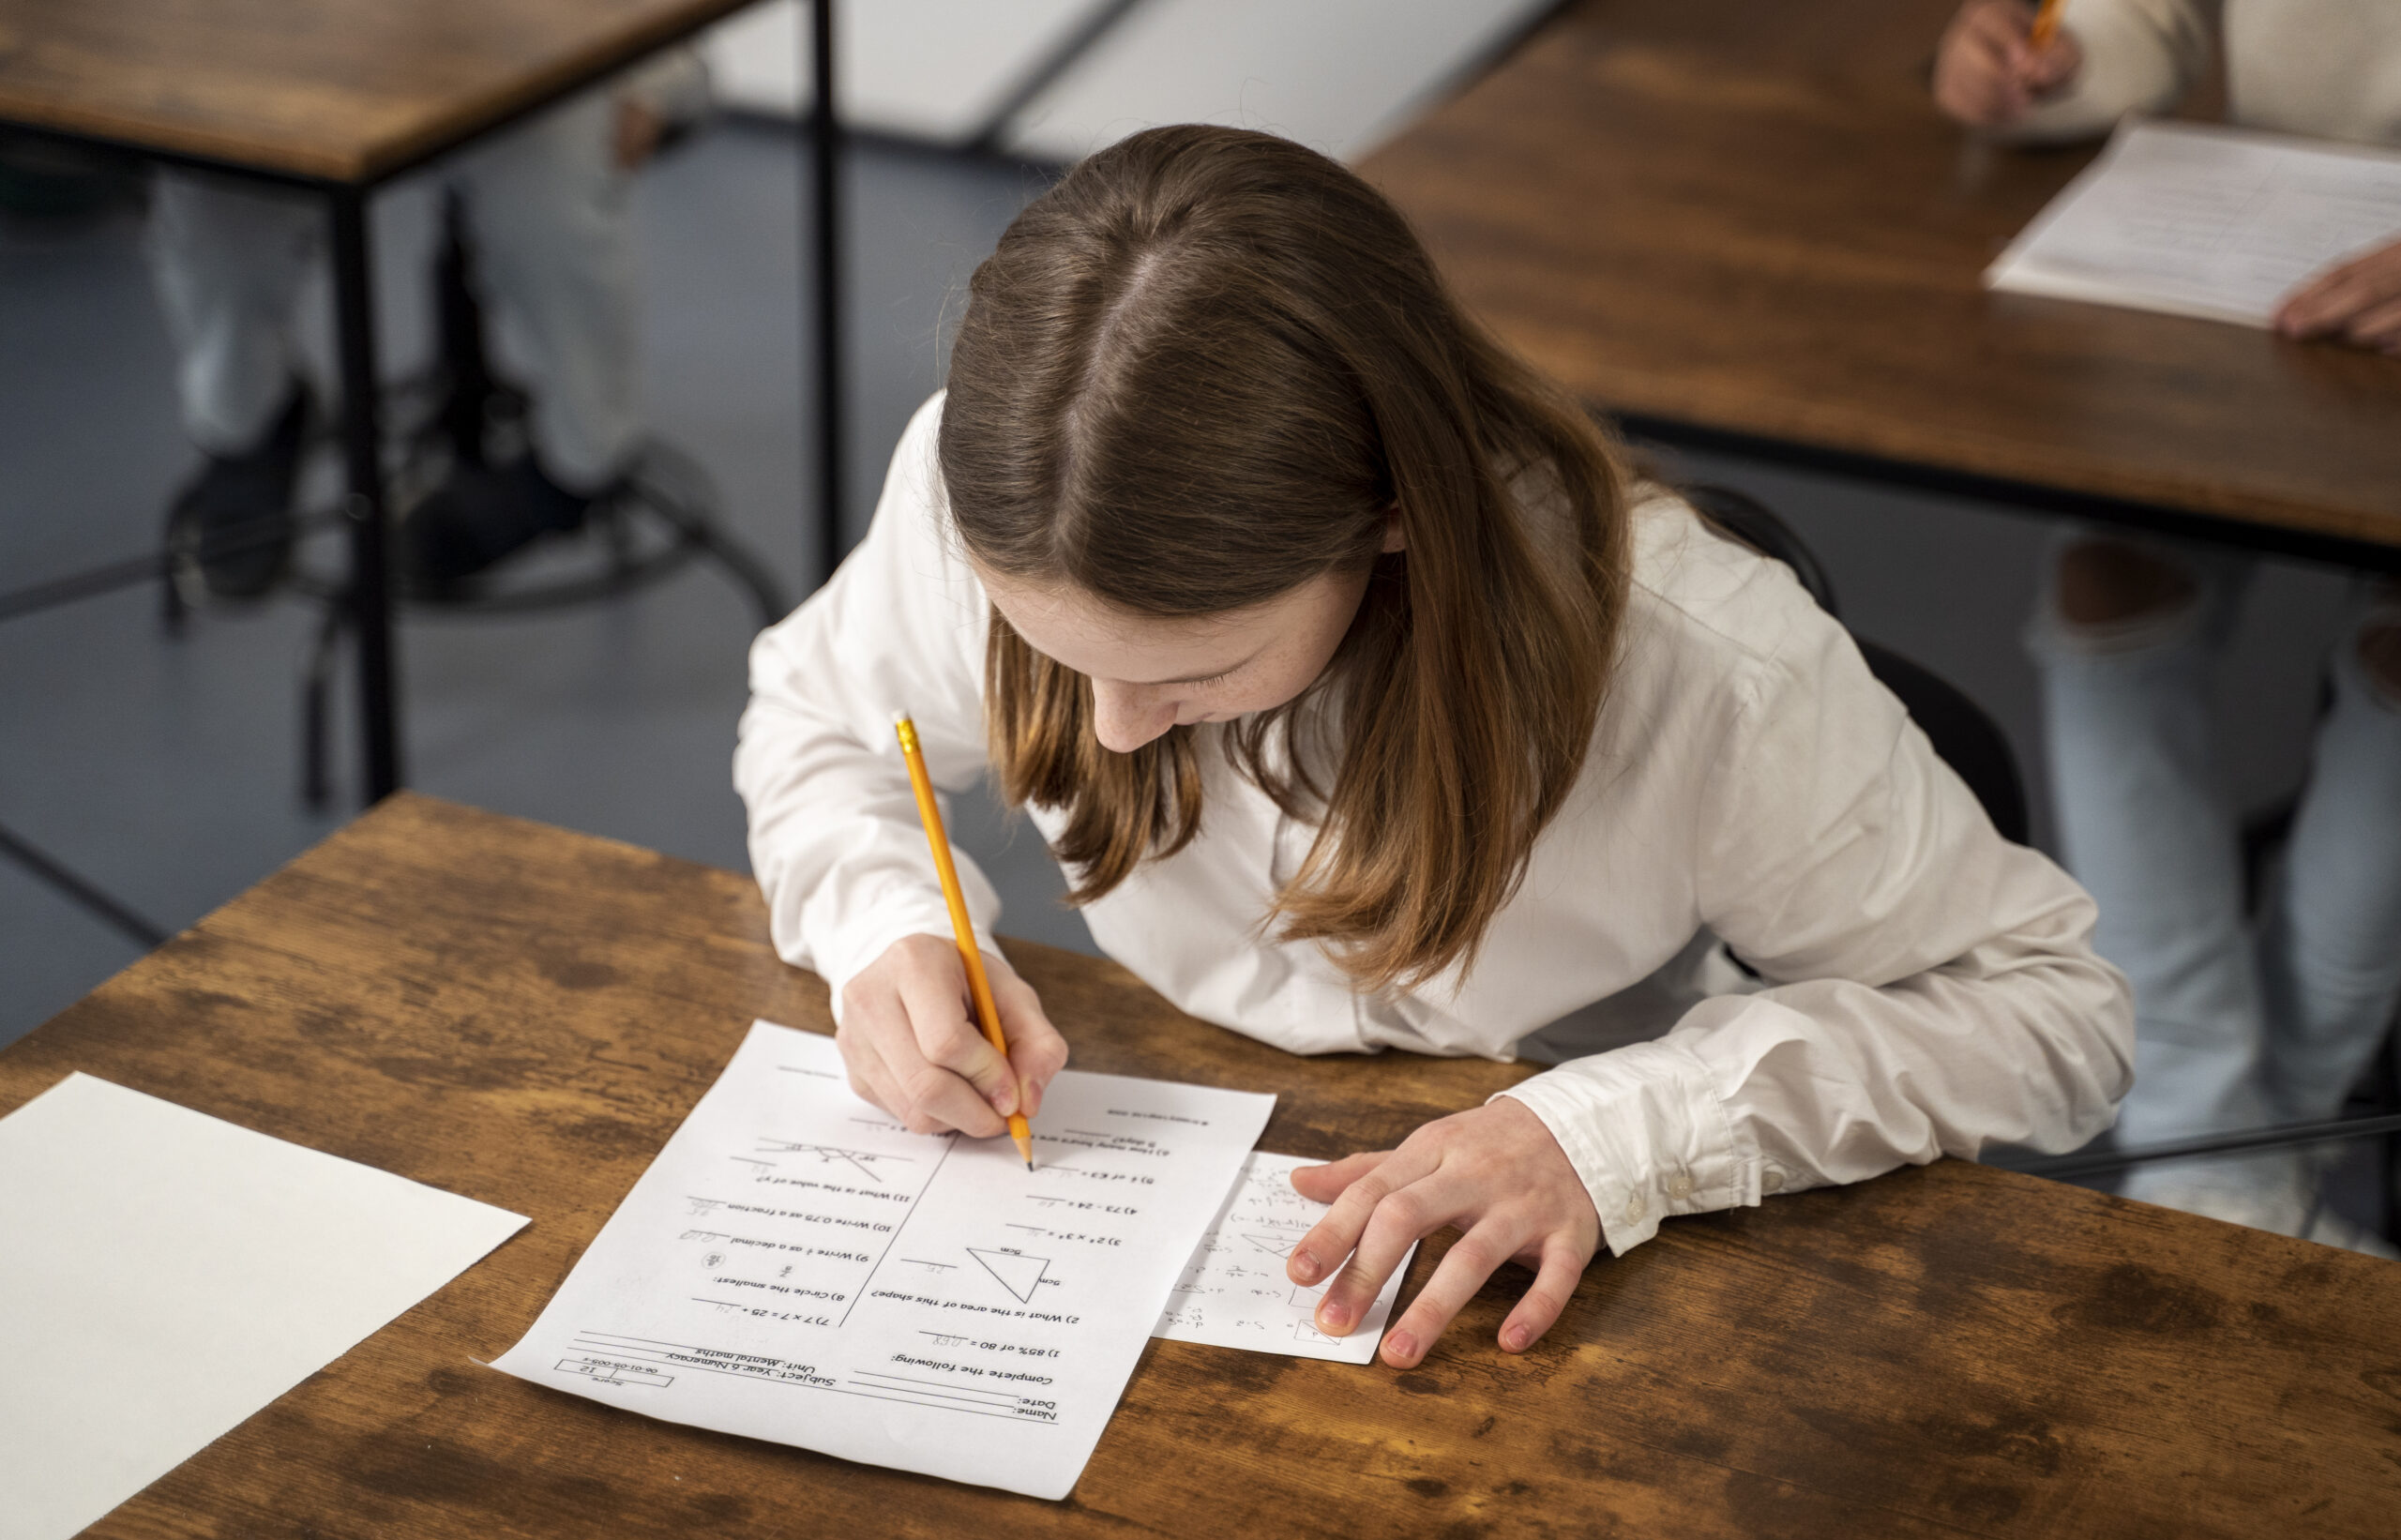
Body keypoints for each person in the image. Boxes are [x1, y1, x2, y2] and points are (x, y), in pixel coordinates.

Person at [734, 126, 2134, 1368]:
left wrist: (1610, 1133)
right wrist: (879, 926)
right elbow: (818, 717)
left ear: (1393, 515)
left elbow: (2050, 1014)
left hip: (1564, 1237)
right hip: (1170, 1139)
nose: (1103, 728)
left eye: (1197, 667)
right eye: (1051, 650)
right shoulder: (994, 491)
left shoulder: (1706, 666)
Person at [1934, 0, 2401, 1248]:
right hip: (2281, 242)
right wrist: (2060, 59)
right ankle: (2218, 1148)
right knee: (2110, 570)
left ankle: (2243, 1152)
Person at [146, 54, 705, 599]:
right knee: (209, 171)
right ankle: (248, 420)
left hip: (542, 37)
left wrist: (647, 73)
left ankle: (581, 462)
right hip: (298, 35)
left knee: (552, 180)